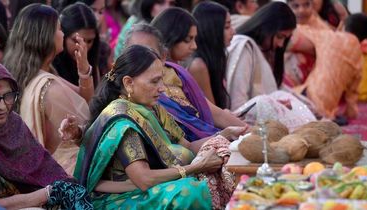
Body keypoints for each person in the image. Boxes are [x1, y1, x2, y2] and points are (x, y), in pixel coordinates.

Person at [74, 45, 247, 209]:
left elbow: (187, 146)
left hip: (149, 186)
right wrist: (196, 167)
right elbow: (143, 179)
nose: (162, 88)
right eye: (155, 81)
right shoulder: (123, 122)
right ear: (128, 83)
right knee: (191, 192)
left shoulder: (153, 109)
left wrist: (224, 136)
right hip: (119, 199)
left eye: (161, 80)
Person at [0, 60, 93, 209]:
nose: (2, 106)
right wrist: (48, 193)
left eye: (8, 96)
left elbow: (43, 167)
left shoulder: (14, 125)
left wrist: (62, 188)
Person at [3, 3, 90, 175]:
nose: (63, 34)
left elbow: (84, 96)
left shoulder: (34, 74)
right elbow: (86, 132)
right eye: (59, 28)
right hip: (63, 174)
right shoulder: (49, 88)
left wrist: (84, 71)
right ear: (46, 36)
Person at [150, 7, 246, 140]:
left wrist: (247, 130)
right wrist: (248, 130)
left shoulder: (177, 71)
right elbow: (212, 114)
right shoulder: (166, 73)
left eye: (194, 39)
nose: (194, 46)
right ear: (171, 37)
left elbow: (209, 112)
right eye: (188, 39)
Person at [226, 2, 316, 130]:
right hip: (246, 123)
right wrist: (274, 104)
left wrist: (302, 102)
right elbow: (238, 105)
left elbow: (275, 88)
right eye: (280, 37)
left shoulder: (265, 50)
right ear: (266, 28)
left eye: (285, 39)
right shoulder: (244, 47)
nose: (280, 44)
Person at [188, 1, 235, 109]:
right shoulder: (198, 65)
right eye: (227, 27)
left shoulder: (214, 59)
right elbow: (212, 115)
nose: (233, 31)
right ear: (212, 29)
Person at [52, 2, 100, 89]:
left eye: (89, 41)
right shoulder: (51, 65)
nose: (83, 47)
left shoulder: (94, 60)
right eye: (76, 40)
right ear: (63, 35)